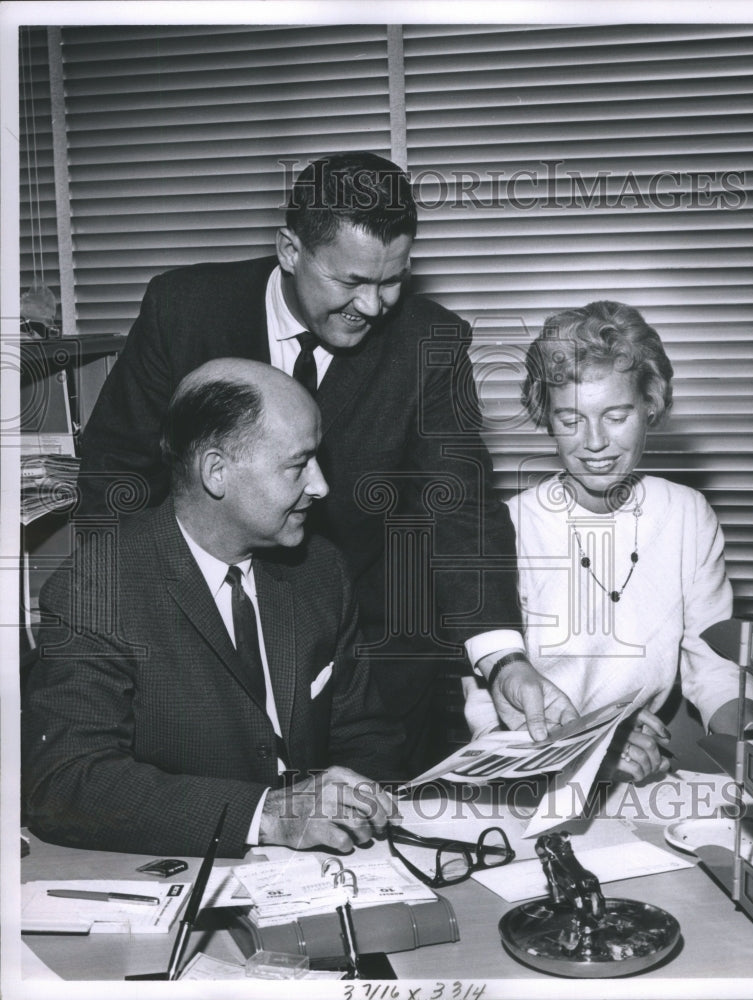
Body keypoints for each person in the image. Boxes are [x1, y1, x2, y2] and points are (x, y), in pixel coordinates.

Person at [75, 150, 577, 773]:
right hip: (196, 646)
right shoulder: (184, 310)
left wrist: (502, 658)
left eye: (393, 279)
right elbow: (115, 472)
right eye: (351, 282)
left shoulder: (430, 341)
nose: (373, 306)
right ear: (290, 250)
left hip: (372, 659)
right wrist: (114, 618)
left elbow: (460, 506)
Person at [22, 360, 401, 857]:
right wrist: (264, 815)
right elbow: (67, 783)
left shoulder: (320, 571)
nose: (321, 486)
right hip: (182, 872)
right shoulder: (97, 587)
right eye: (298, 465)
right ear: (217, 472)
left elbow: (364, 734)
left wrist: (362, 806)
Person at [463, 301, 753, 782]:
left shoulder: (687, 515)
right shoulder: (505, 528)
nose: (594, 442)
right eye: (570, 420)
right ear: (546, 417)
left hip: (643, 770)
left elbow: (714, 669)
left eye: (616, 415)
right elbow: (487, 714)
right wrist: (592, 746)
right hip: (532, 776)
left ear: (650, 405)